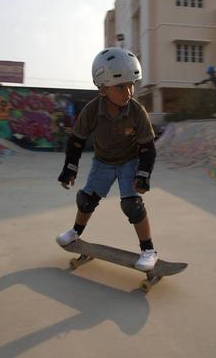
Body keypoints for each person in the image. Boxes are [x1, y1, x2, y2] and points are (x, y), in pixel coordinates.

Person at [56, 47, 158, 271]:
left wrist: (143, 175)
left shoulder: (137, 111)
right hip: (102, 162)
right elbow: (76, 140)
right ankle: (74, 233)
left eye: (132, 85)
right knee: (86, 200)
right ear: (103, 88)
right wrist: (70, 168)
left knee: (132, 205)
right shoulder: (91, 111)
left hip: (129, 161)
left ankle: (148, 250)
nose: (128, 92)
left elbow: (148, 147)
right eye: (120, 87)